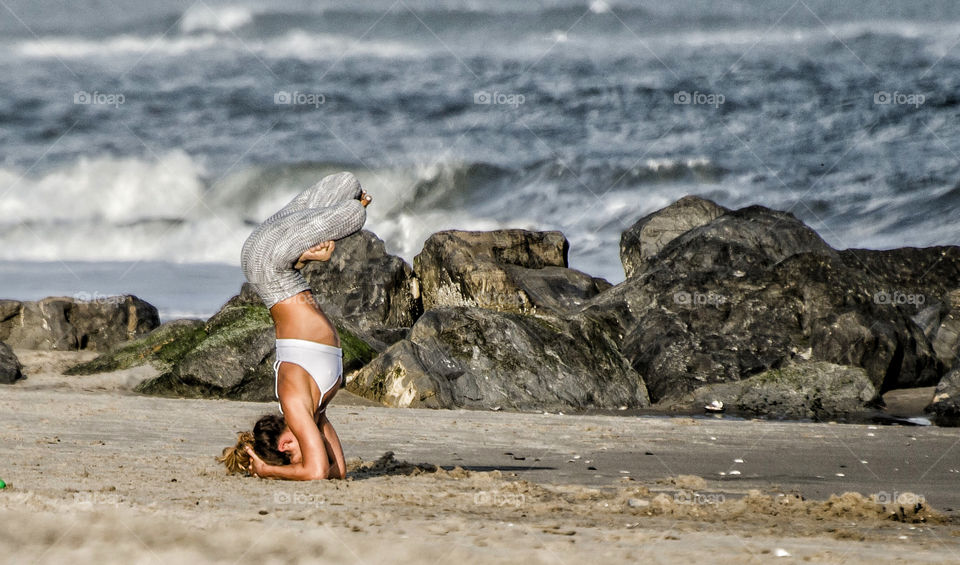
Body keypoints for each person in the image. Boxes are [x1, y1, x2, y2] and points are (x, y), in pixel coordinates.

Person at [218, 172, 371, 480]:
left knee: (354, 214)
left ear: (286, 444)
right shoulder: (315, 412)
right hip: (276, 264)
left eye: (294, 456)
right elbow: (337, 471)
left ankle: (303, 254)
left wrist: (268, 470)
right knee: (346, 184)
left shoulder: (293, 405)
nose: (311, 450)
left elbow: (316, 472)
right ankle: (302, 255)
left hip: (268, 266)